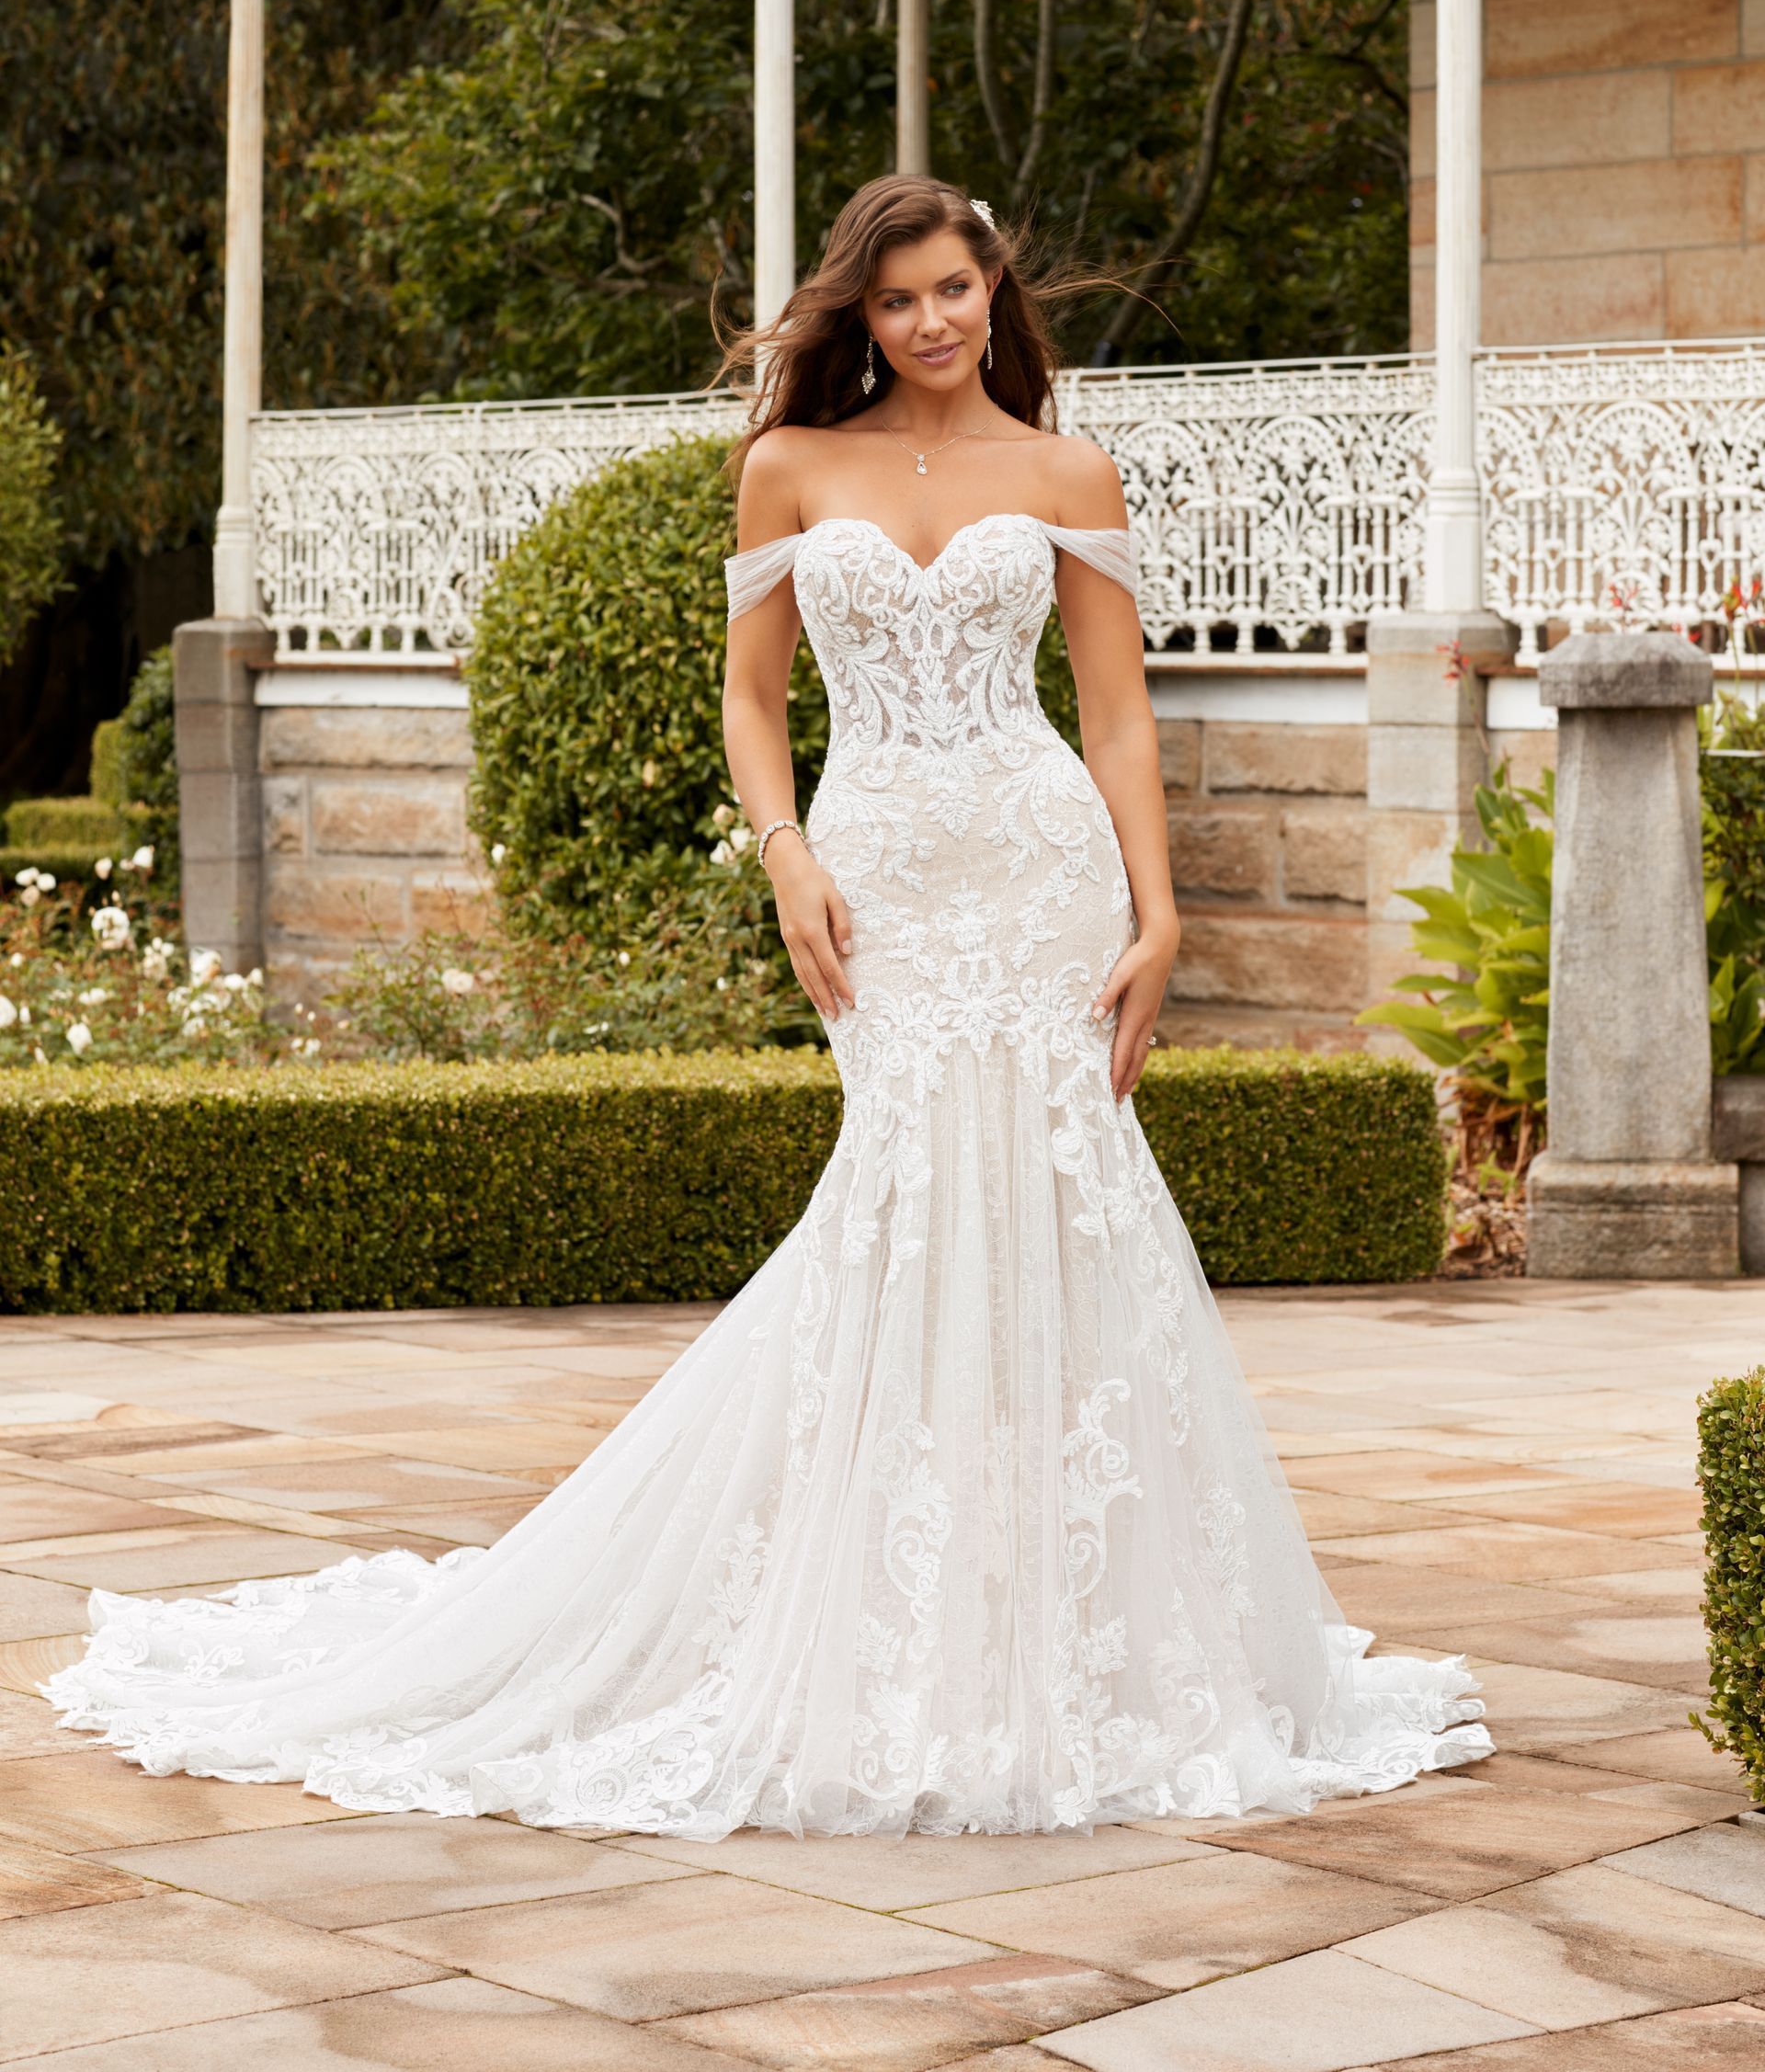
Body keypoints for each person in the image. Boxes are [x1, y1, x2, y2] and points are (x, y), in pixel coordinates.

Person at [48, 175, 1490, 1838]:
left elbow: (1116, 720)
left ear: (993, 289)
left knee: (1061, 1204)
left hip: (1036, 871)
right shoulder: (789, 467)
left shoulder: (1067, 468)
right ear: (858, 317)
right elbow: (751, 699)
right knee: (909, 1196)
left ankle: (1073, 1632)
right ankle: (876, 1618)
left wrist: (1162, 913)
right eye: (896, 301)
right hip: (875, 872)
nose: (930, 322)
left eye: (953, 290)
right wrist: (790, 854)